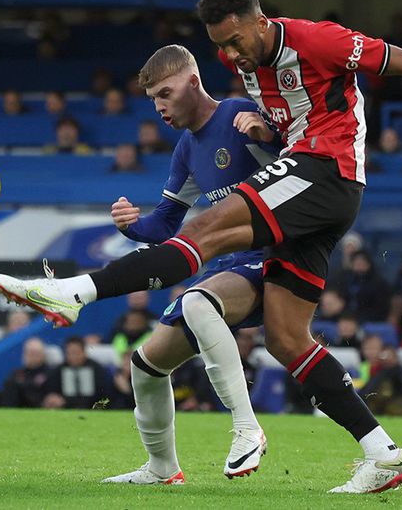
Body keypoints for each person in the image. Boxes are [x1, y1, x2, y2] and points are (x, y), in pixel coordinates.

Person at [0, 0, 402, 493]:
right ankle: (383, 453)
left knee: (206, 232)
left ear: (258, 19)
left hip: (328, 170)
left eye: (237, 40)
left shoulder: (317, 39)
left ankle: (74, 292)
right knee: (287, 339)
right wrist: (270, 130)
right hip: (311, 185)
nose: (233, 54)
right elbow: (286, 116)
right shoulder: (235, 61)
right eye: (221, 45)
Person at [95, 44, 276, 483]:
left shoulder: (238, 114)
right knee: (146, 364)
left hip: (276, 255)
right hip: (229, 264)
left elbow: (305, 162)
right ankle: (162, 469)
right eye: (153, 98)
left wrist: (269, 133)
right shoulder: (187, 149)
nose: (159, 106)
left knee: (197, 303)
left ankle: (247, 427)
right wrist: (133, 227)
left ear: (193, 82)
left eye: (165, 93)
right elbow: (166, 222)